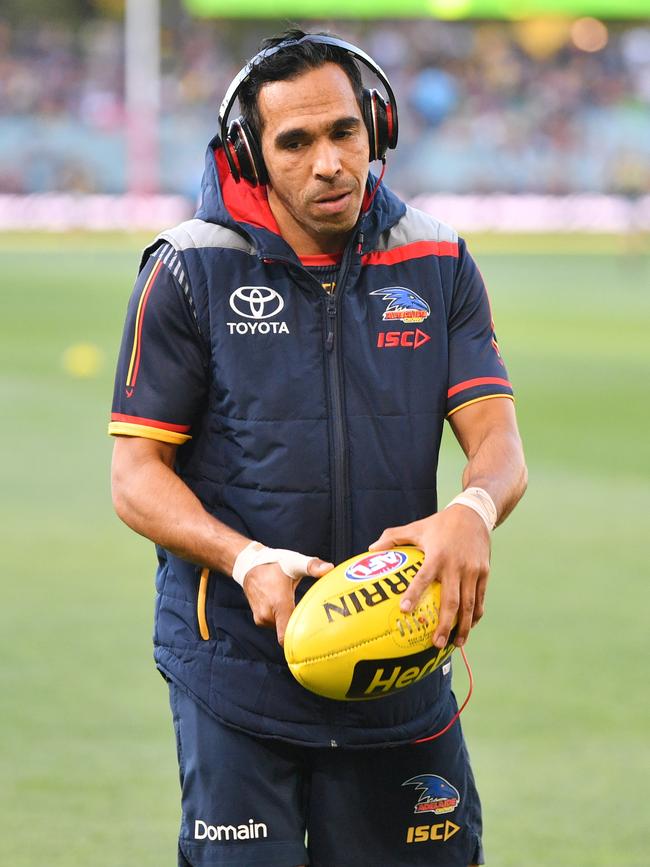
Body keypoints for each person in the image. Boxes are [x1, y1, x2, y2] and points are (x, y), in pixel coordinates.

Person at [109, 29, 526, 867]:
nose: (329, 163)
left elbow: (498, 442)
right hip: (237, 670)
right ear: (251, 154)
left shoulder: (438, 260)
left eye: (343, 132)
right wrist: (245, 557)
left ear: (378, 127)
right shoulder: (190, 270)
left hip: (397, 661)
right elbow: (135, 478)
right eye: (295, 143)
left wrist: (473, 510)